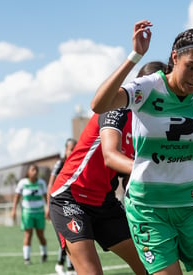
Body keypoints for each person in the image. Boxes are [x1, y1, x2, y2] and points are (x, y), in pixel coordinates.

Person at [91, 20, 193, 275]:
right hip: (149, 210)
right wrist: (135, 56)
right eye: (191, 67)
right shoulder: (146, 88)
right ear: (175, 58)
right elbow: (99, 104)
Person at [48, 61, 167, 275]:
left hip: (104, 202)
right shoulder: (118, 107)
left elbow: (130, 180)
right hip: (70, 197)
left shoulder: (151, 125)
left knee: (151, 267)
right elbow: (110, 157)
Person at [46, 138, 77, 275]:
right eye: (71, 149)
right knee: (67, 235)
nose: (73, 151)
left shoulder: (78, 162)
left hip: (74, 203)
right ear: (65, 150)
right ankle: (65, 266)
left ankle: (65, 265)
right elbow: (50, 185)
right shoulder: (60, 164)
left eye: (75, 148)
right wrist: (48, 206)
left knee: (73, 235)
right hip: (59, 203)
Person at [11, 163, 48, 265]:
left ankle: (44, 254)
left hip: (39, 213)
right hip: (27, 213)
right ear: (28, 172)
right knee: (28, 235)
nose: (35, 171)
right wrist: (13, 210)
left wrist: (48, 209)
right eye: (32, 169)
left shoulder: (41, 183)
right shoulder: (23, 183)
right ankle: (26, 258)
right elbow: (17, 197)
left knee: (40, 235)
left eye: (36, 169)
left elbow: (46, 198)